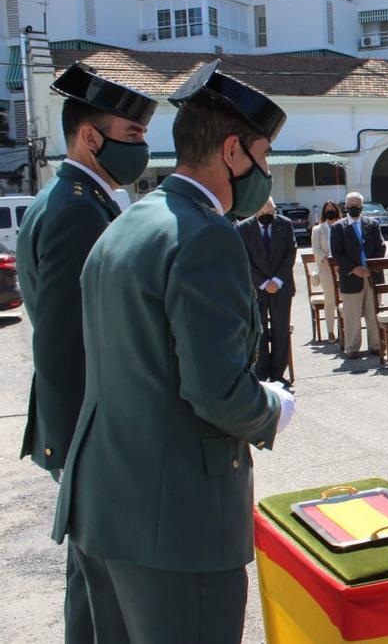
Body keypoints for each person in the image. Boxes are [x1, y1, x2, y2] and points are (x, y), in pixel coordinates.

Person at [51, 59, 295, 644]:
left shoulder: (129, 219)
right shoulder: (205, 234)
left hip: (104, 505)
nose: (266, 171)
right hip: (175, 520)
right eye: (263, 155)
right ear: (233, 152)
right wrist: (274, 407)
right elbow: (217, 391)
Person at [16, 61, 156, 644]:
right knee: (108, 596)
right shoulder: (78, 209)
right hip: (89, 432)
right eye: (131, 138)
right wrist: (75, 446)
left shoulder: (68, 197)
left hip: (84, 428)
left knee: (91, 590)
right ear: (89, 137)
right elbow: (62, 341)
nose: (142, 150)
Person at [237, 197, 296, 384]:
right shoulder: (243, 228)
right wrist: (263, 282)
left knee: (281, 329)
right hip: (256, 288)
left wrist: (277, 280)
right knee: (259, 330)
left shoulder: (285, 225)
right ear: (255, 211)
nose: (266, 216)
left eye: (270, 213)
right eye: (262, 213)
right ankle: (261, 372)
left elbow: (290, 253)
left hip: (281, 286)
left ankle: (278, 373)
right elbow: (243, 259)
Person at [330, 191, 385, 359]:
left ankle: (376, 345)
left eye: (357, 206)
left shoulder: (372, 224)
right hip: (351, 277)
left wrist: (370, 266)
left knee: (373, 313)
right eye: (351, 206)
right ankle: (352, 347)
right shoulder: (338, 227)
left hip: (372, 275)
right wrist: (354, 269)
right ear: (346, 207)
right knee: (352, 314)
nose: (354, 208)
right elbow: (337, 253)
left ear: (362, 206)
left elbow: (381, 247)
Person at [310, 200, 340, 341]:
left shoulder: (342, 226)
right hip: (326, 268)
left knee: (344, 299)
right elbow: (316, 249)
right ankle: (330, 331)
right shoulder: (318, 230)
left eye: (332, 209)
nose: (330, 211)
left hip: (342, 268)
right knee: (330, 300)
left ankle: (343, 330)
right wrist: (328, 260)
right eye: (327, 209)